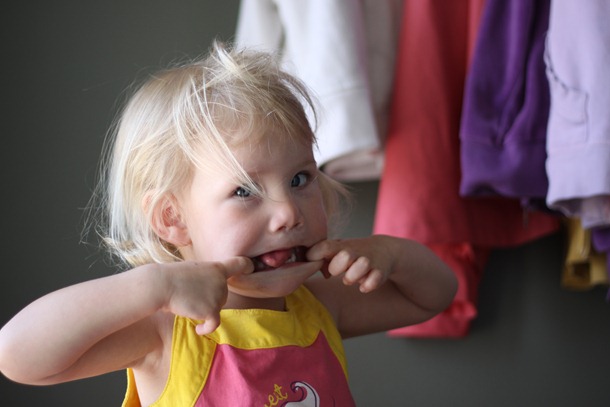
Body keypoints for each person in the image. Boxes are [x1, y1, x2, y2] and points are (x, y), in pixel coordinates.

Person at [0, 42, 457, 406]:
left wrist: (391, 253)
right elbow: (16, 355)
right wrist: (153, 286)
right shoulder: (165, 329)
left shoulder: (319, 304)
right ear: (172, 218)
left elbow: (432, 296)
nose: (288, 212)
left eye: (300, 179)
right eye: (244, 191)